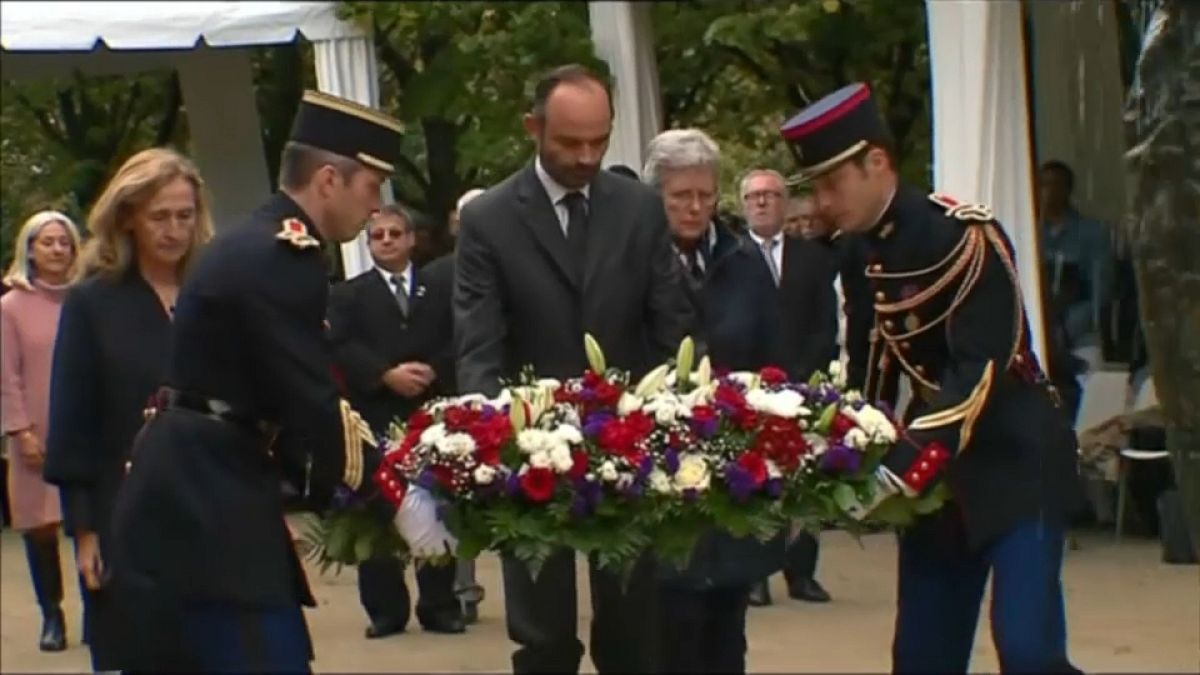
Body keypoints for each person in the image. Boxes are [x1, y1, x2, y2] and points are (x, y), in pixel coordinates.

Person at [779, 82, 1085, 674]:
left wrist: (906, 457)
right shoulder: (860, 254)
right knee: (922, 658)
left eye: (831, 184)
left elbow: (981, 371)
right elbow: (872, 359)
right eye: (814, 187)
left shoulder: (967, 237)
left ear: (876, 163)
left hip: (1015, 461)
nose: (820, 202)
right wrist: (850, 443)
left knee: (1029, 652)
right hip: (940, 481)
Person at [103, 91, 402, 672]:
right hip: (208, 501)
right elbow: (310, 395)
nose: (376, 208)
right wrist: (394, 491)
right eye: (370, 187)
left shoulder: (260, 242)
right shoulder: (284, 256)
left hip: (197, 484)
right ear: (328, 180)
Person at [454, 63, 694, 674]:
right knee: (542, 636)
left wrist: (676, 418)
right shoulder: (491, 219)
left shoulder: (639, 210)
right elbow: (479, 342)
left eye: (600, 140)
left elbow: (672, 325)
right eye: (569, 142)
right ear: (534, 127)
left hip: (629, 444)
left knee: (634, 630)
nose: (587, 156)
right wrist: (493, 437)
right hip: (529, 453)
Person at [42, 148, 214, 671]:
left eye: (184, 216)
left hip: (217, 505)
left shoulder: (214, 292)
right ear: (129, 218)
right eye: (159, 217)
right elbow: (74, 421)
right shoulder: (94, 302)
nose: (173, 230)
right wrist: (86, 531)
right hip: (129, 510)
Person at [641, 128, 782, 674]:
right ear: (658, 197)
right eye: (681, 197)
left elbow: (773, 351)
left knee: (728, 617)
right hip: (660, 461)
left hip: (734, 458)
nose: (696, 207)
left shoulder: (743, 260)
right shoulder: (636, 259)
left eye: (705, 195)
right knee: (675, 618)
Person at [328, 204, 465, 638]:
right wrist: (384, 375)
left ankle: (440, 605)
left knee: (436, 506)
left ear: (411, 240)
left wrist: (431, 371)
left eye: (394, 233)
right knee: (379, 509)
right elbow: (339, 346)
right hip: (376, 412)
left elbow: (457, 337)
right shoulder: (349, 294)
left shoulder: (437, 289)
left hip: (430, 414)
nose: (385, 241)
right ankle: (386, 611)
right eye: (377, 236)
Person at [738, 169, 835, 608]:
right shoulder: (730, 256)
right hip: (749, 388)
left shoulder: (813, 258)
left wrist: (803, 377)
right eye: (754, 196)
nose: (762, 203)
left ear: (785, 202)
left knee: (805, 478)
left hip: (803, 384)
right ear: (742, 204)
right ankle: (755, 575)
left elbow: (825, 322)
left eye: (771, 195)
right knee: (758, 481)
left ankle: (802, 573)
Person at [1, 210, 83, 652]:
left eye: (64, 242)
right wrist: (20, 430)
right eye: (47, 242)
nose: (56, 250)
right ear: (29, 249)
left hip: (84, 426)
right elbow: (5, 375)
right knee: (40, 526)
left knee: (91, 518)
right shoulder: (11, 306)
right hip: (34, 431)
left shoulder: (88, 298)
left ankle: (101, 611)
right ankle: (52, 615)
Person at [425, 187, 489, 624]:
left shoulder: (517, 267)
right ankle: (461, 587)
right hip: (449, 396)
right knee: (454, 497)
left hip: (503, 394)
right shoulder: (434, 276)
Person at [1037, 160, 1111, 360]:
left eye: (1055, 184)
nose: (1049, 192)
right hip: (1036, 332)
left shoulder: (1092, 232)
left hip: (1080, 334)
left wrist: (1067, 329)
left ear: (1068, 189)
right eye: (1043, 185)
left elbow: (1100, 292)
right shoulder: (1028, 232)